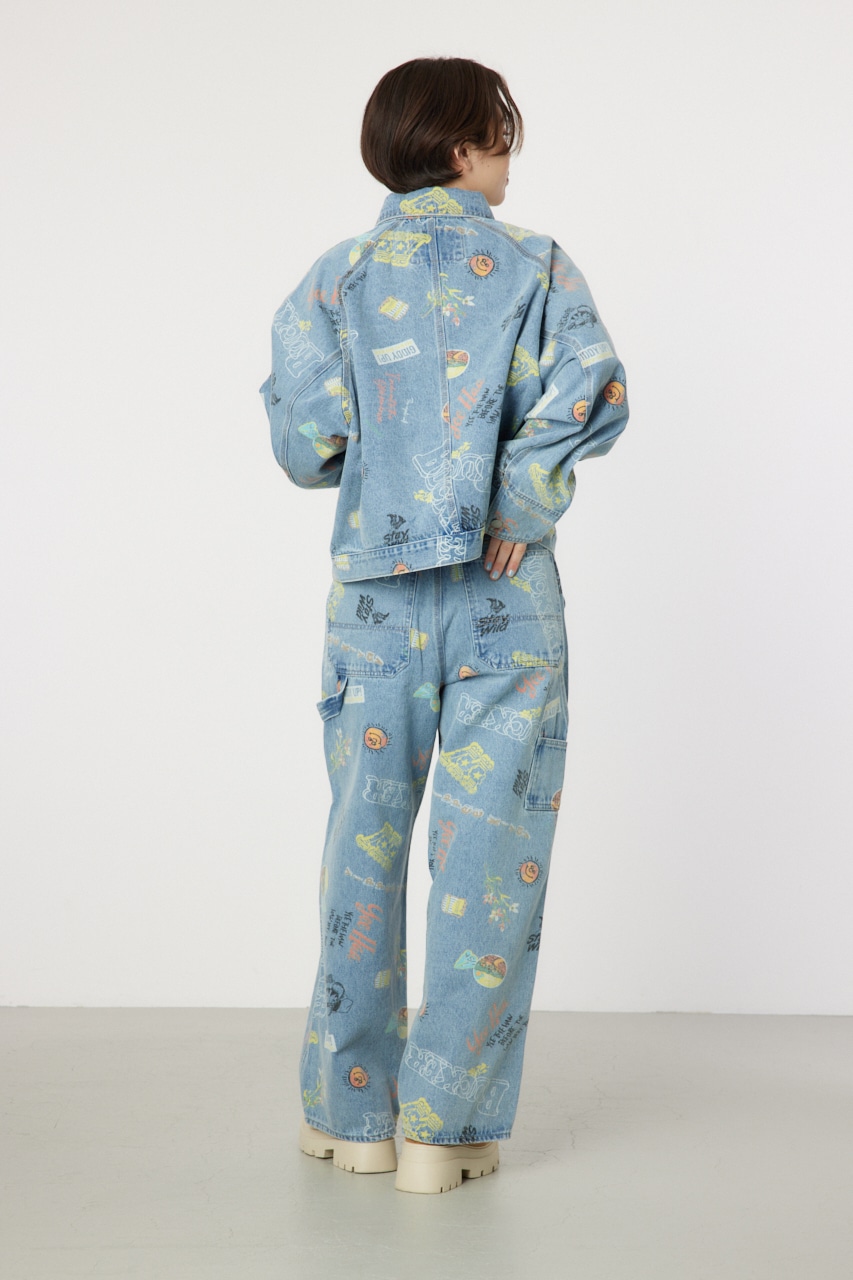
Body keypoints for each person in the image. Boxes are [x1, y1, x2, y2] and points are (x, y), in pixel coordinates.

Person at [259, 56, 629, 1194]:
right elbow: (593, 385)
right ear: (463, 147)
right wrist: (515, 497)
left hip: (374, 603)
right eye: (501, 137)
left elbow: (303, 444)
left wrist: (390, 456)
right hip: (503, 603)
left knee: (358, 851)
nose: (508, 158)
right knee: (489, 863)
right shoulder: (537, 264)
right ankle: (444, 1130)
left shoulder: (335, 277)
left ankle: (351, 1117)